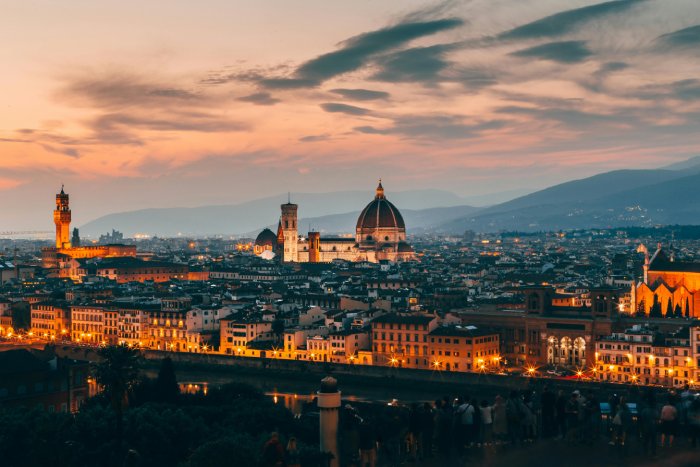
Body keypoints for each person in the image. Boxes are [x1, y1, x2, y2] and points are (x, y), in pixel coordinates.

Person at [638, 391, 658, 458]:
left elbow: (642, 418)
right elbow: (657, 418)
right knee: (653, 441)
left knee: (646, 440)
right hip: (653, 427)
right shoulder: (655, 411)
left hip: (646, 427)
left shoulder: (644, 410)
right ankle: (654, 453)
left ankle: (645, 452)